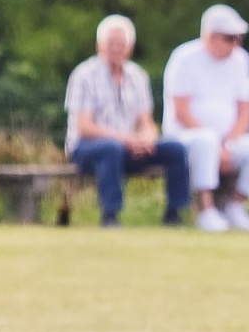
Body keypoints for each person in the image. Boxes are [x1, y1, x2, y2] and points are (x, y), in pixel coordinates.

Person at [161, 4, 249, 232]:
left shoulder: (241, 60)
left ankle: (235, 206)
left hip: (226, 141)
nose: (235, 44)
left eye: (238, 39)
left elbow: (244, 108)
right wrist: (216, 144)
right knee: (205, 141)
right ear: (210, 36)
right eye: (229, 38)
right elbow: (182, 111)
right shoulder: (184, 58)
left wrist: (230, 142)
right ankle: (205, 210)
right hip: (186, 136)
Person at [64, 15, 191, 227]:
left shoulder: (138, 76)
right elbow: (84, 127)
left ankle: (175, 212)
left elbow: (146, 120)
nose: (116, 49)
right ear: (99, 46)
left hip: (127, 145)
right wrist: (127, 140)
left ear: (129, 47)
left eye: (121, 44)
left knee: (175, 149)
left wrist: (147, 138)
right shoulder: (83, 75)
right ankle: (111, 214)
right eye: (110, 44)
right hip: (86, 147)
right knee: (111, 149)